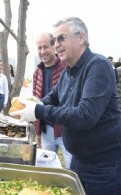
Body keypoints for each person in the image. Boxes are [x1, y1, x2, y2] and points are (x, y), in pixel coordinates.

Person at [10, 17, 121, 195]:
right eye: (54, 40)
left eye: (61, 38)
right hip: (79, 160)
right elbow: (54, 96)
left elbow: (85, 115)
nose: (56, 45)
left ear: (81, 37)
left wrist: (39, 111)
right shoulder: (68, 71)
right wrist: (34, 103)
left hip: (103, 164)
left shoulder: (98, 66)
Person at [32, 32, 72, 169]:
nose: (42, 51)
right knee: (46, 168)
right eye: (39, 48)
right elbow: (36, 101)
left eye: (46, 47)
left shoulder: (67, 68)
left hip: (65, 129)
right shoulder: (37, 72)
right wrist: (37, 131)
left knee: (72, 169)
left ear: (53, 46)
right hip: (46, 130)